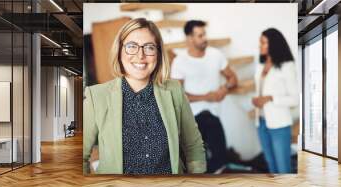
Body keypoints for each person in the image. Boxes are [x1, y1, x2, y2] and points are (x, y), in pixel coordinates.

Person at [83, 18, 206, 175]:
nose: (140, 55)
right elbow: (82, 156)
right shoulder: (96, 96)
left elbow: (193, 147)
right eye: (131, 46)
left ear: (158, 53)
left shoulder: (175, 90)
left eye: (149, 47)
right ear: (119, 51)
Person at [171, 20, 238, 173]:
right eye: (200, 35)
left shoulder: (216, 54)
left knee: (220, 161)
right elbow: (177, 94)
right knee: (196, 164)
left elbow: (233, 78)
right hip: (192, 118)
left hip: (214, 114)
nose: (204, 38)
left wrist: (224, 88)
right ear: (189, 38)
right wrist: (206, 97)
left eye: (204, 34)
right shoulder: (179, 62)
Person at [252, 28, 298, 173]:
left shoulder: (287, 66)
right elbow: (261, 89)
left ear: (274, 44)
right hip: (261, 122)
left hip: (279, 124)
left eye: (263, 43)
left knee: (282, 168)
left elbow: (295, 99)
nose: (260, 46)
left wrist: (270, 98)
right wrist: (257, 100)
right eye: (260, 42)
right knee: (271, 166)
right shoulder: (261, 65)